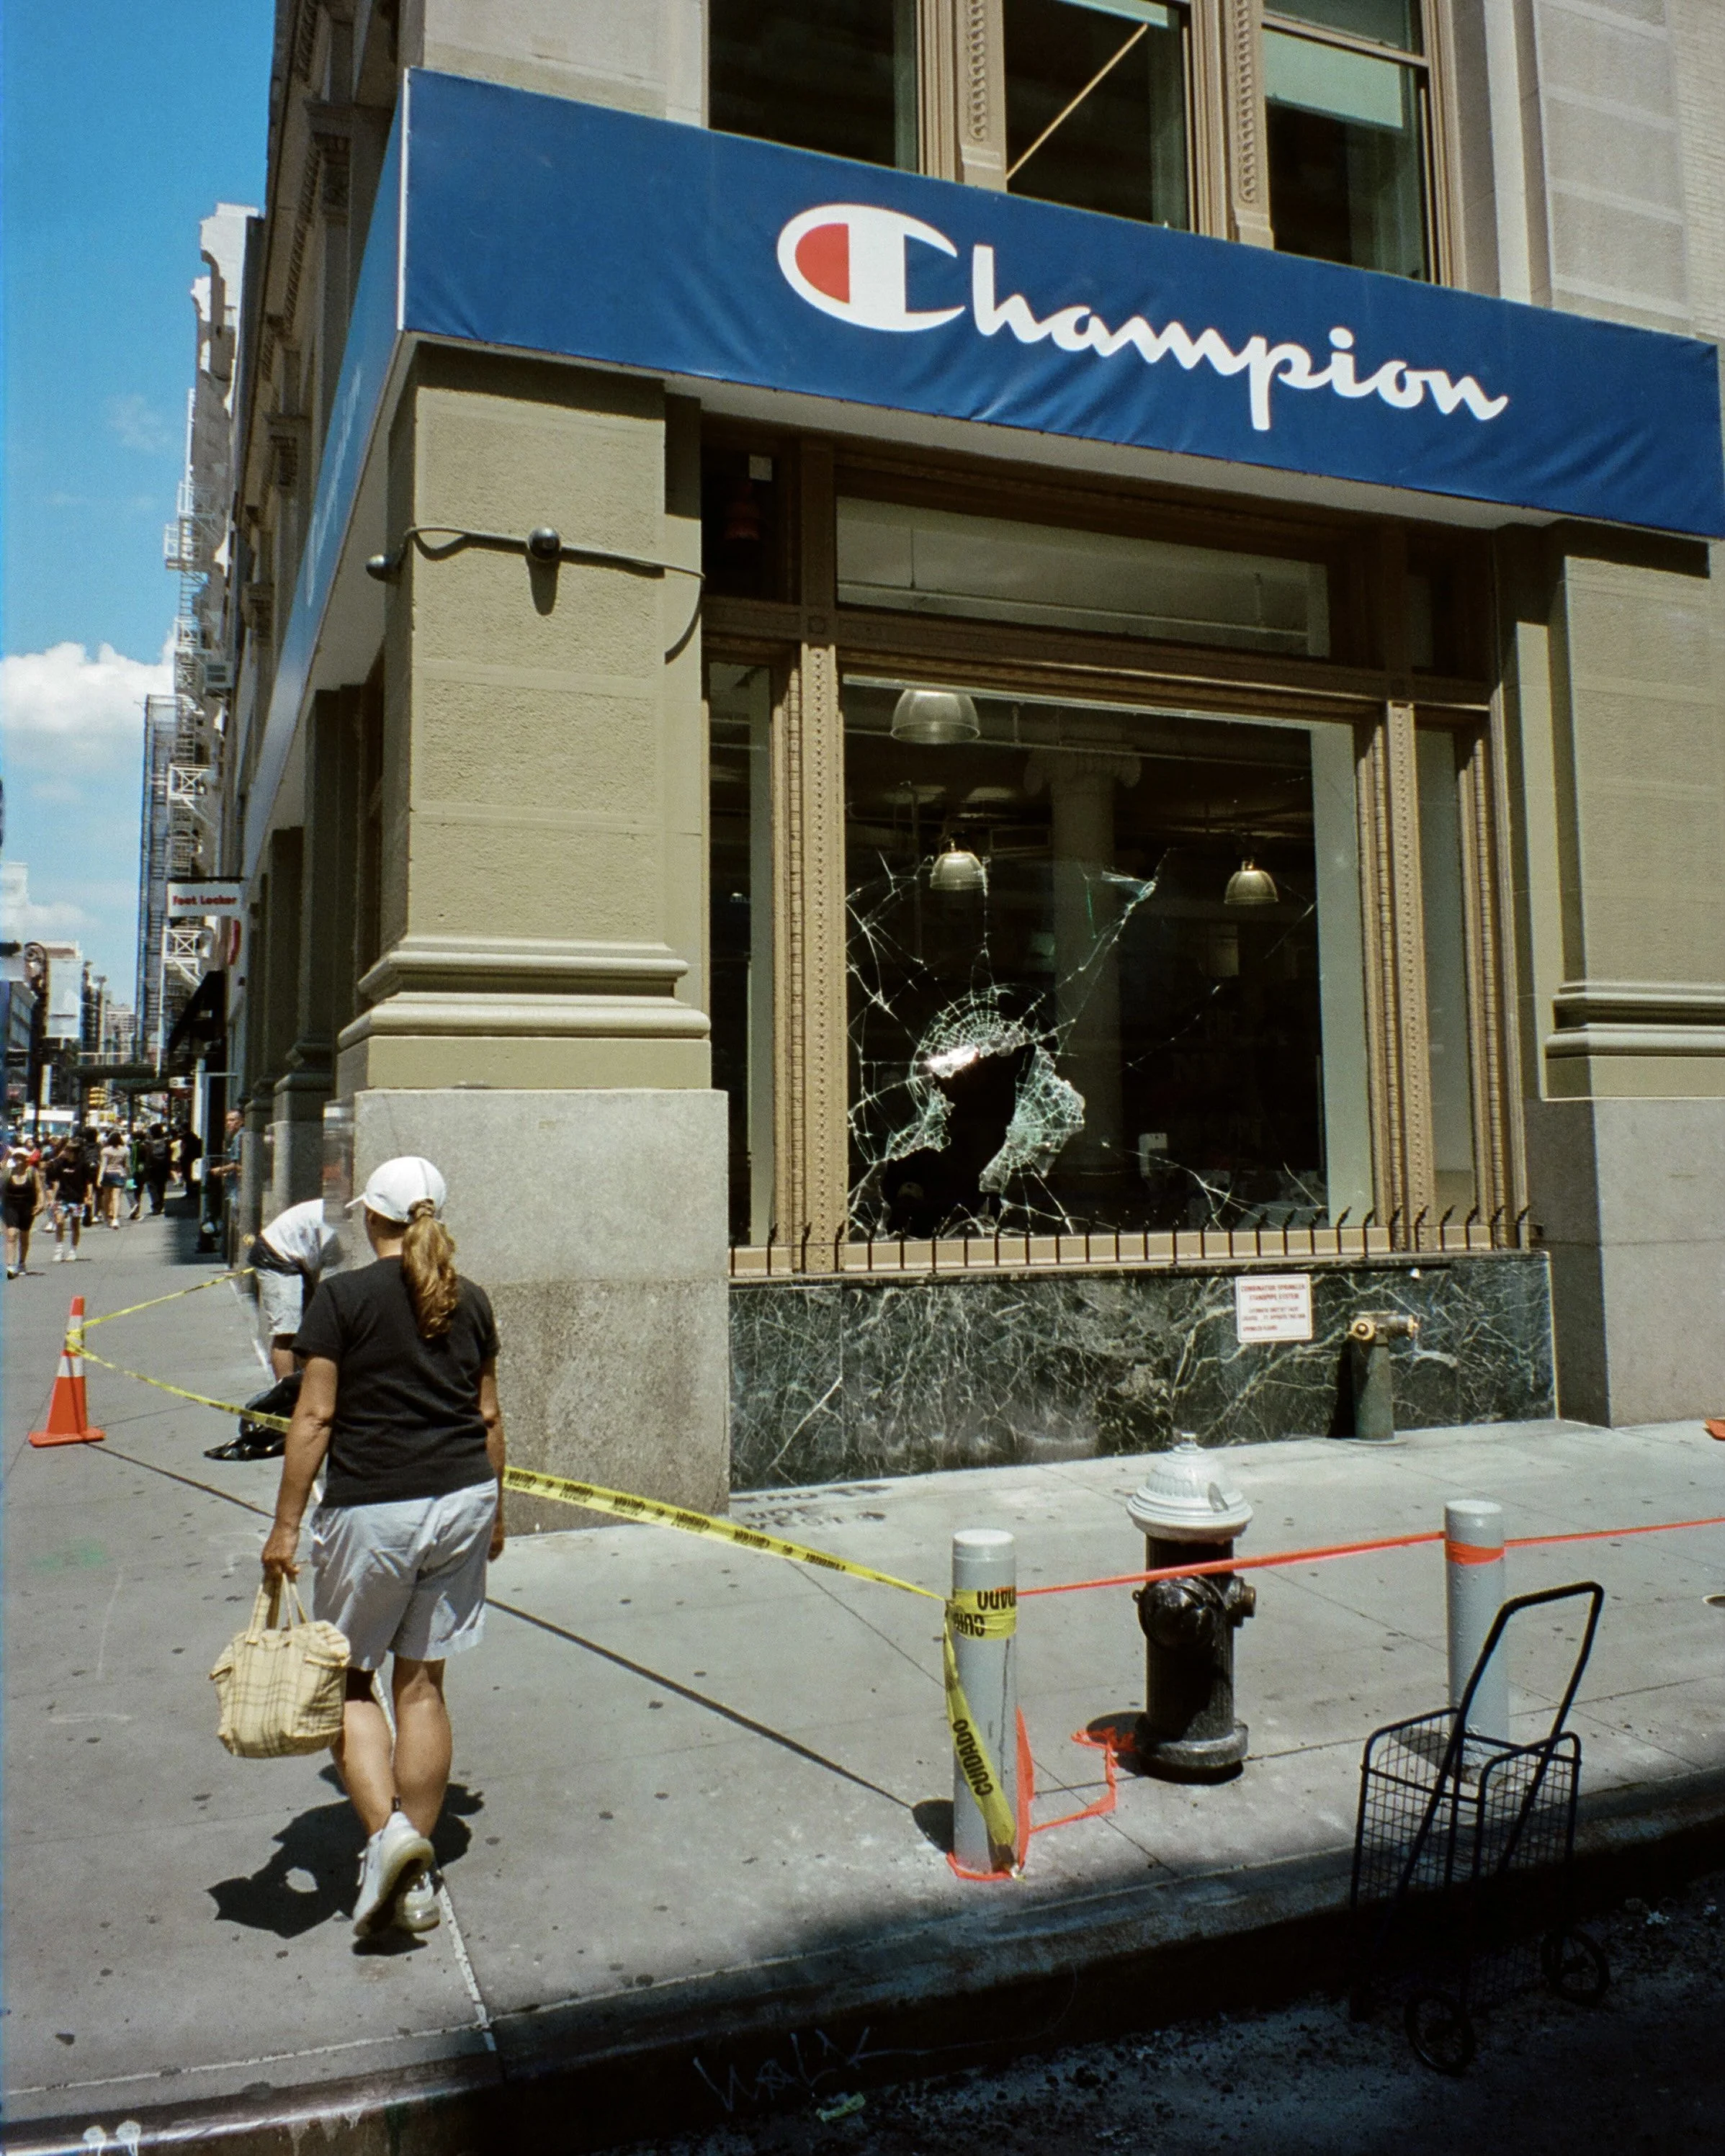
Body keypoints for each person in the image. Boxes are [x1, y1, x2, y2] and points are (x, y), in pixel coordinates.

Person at [261, 1156, 506, 1940]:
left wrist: (286, 1525)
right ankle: (419, 1870)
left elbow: (313, 1418)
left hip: (377, 1509)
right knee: (424, 1686)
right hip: (464, 1498)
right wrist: (496, 1513)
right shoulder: (471, 1300)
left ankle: (387, 1841)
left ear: (374, 1219)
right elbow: (490, 1417)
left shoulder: (341, 1298)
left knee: (351, 1680)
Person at [251, 1197, 340, 1380]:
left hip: (296, 1256)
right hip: (276, 1255)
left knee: (305, 1329)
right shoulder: (335, 1229)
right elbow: (330, 1287)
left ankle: (302, 1385)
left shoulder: (336, 1216)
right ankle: (285, 1394)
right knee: (287, 1332)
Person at [47, 1137, 93, 1263]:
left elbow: (88, 1182)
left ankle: (73, 1250)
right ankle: (59, 1249)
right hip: (62, 1196)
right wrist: (52, 1198)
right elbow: (54, 1178)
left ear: (74, 1152)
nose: (65, 1152)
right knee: (60, 1221)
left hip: (77, 1198)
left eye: (68, 1150)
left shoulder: (83, 1164)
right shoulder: (60, 1163)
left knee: (75, 1224)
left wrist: (89, 1197)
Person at [3, 1144, 43, 1277]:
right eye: (17, 1157)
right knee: (12, 1234)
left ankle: (22, 1262)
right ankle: (10, 1266)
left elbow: (38, 1189)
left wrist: (40, 1203)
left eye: (21, 1157)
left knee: (24, 1236)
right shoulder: (9, 1172)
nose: (19, 1160)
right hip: (11, 1206)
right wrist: (8, 1154)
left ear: (26, 1159)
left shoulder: (32, 1172)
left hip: (27, 1206)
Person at [97, 1129, 130, 1229]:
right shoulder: (125, 1150)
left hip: (108, 1174)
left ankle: (108, 1218)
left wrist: (99, 1178)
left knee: (107, 1197)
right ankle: (116, 1219)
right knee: (116, 1197)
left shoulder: (105, 1151)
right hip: (119, 1174)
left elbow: (103, 1165)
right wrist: (127, 1175)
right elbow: (127, 1165)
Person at [141, 1123, 174, 1216]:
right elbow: (169, 1154)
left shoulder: (147, 1144)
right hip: (163, 1167)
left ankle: (156, 1207)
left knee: (152, 1187)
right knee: (161, 1186)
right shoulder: (166, 1142)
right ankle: (161, 1204)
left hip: (151, 1168)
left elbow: (144, 1157)